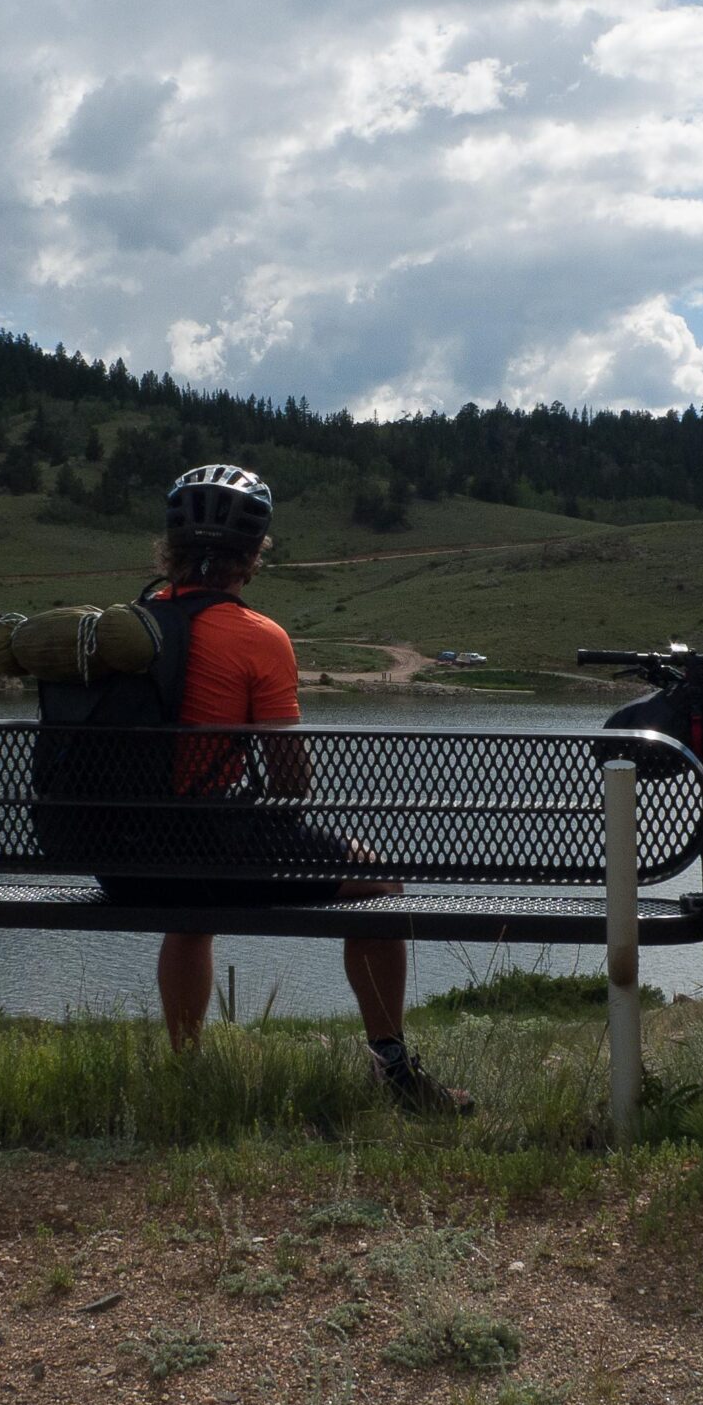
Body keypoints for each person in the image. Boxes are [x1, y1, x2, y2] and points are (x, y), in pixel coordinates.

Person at [123, 463, 469, 1114]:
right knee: (381, 882)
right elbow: (290, 783)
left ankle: (185, 1073)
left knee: (187, 917)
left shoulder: (131, 628)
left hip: (125, 859)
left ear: (170, 551)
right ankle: (392, 1071)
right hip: (212, 858)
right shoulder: (259, 638)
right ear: (252, 556)